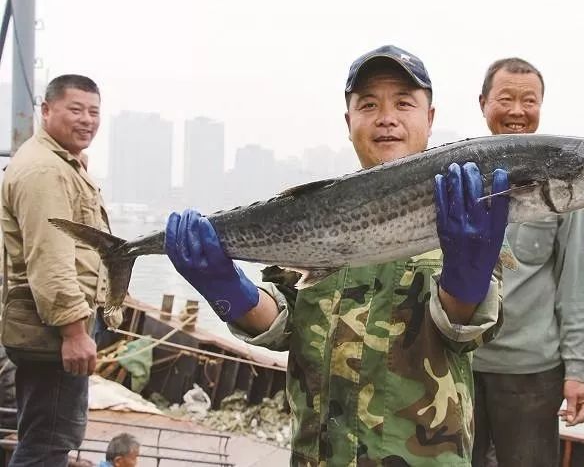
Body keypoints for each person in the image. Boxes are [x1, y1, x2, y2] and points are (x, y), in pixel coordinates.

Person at [164, 45, 510, 466]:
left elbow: (465, 330)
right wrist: (226, 289)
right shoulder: (313, 212)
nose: (387, 117)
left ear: (430, 118)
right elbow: (282, 322)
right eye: (369, 105)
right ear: (349, 122)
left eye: (404, 103)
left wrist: (465, 277)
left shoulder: (472, 212)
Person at [469, 58, 584, 467]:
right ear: (483, 103)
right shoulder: (457, 176)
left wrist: (576, 371)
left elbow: (575, 284)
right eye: (506, 99)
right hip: (455, 361)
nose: (518, 111)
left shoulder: (565, 184)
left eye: (530, 100)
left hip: (532, 373)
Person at [1, 75, 108, 467]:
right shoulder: (45, 170)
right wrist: (75, 333)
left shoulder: (59, 162)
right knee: (48, 444)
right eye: (75, 109)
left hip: (42, 325)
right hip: (51, 333)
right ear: (46, 111)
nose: (87, 120)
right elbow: (50, 258)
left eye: (94, 112)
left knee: (42, 434)